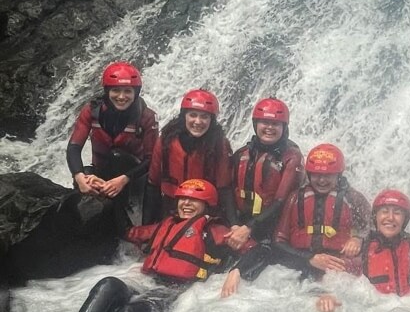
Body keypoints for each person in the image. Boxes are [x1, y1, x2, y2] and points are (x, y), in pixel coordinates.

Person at [72, 179, 250, 312]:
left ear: (207, 205)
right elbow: (129, 232)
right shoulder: (167, 225)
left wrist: (236, 272)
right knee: (107, 284)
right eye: (183, 199)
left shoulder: (216, 231)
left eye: (193, 200)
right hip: (148, 282)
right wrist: (112, 198)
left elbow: (260, 250)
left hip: (177, 292)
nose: (186, 204)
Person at [220, 143, 370, 297]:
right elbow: (278, 241)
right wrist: (309, 258)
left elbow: (372, 230)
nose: (322, 181)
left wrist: (358, 238)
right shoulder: (294, 198)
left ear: (339, 174)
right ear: (309, 174)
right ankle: (237, 273)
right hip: (302, 266)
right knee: (265, 249)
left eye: (328, 175)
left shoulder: (354, 199)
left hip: (338, 272)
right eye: (317, 175)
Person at [67, 61, 159, 232]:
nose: (121, 96)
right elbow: (74, 148)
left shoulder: (147, 117)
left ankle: (126, 229)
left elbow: (151, 159)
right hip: (102, 173)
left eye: (127, 91)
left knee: (117, 156)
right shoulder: (91, 111)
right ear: (107, 91)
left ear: (135, 93)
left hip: (133, 178)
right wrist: (79, 177)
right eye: (116, 90)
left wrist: (123, 179)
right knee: (82, 177)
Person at [316, 189, 410, 312]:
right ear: (375, 217)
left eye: (397, 213)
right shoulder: (363, 248)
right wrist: (326, 295)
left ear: (405, 219)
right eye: (384, 212)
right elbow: (335, 275)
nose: (390, 218)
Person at [223, 98, 304, 250]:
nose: (269, 128)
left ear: (284, 127)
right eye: (264, 123)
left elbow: (281, 201)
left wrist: (248, 228)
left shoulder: (292, 158)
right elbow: (228, 191)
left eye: (275, 124)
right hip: (241, 223)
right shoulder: (242, 154)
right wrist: (235, 225)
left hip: (272, 227)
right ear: (255, 124)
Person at [143, 89, 232, 224]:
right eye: (193, 115)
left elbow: (224, 188)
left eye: (204, 117)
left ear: (211, 120)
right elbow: (152, 185)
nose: (198, 121)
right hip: (171, 206)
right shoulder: (166, 140)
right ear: (184, 116)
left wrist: (233, 224)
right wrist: (146, 225)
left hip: (204, 210)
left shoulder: (219, 144)